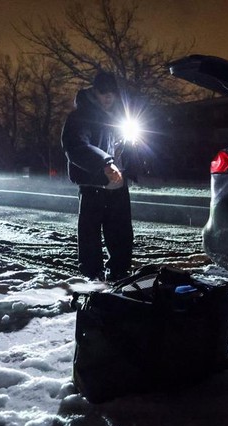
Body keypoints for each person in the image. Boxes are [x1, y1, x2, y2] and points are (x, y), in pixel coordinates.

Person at [61, 71, 133, 282]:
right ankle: (92, 276)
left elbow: (130, 144)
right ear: (94, 91)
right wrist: (104, 163)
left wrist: (132, 160)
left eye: (112, 93)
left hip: (118, 184)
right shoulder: (79, 116)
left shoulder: (119, 117)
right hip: (93, 183)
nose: (108, 97)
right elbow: (75, 146)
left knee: (120, 231)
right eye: (103, 92)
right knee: (90, 233)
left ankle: (120, 271)